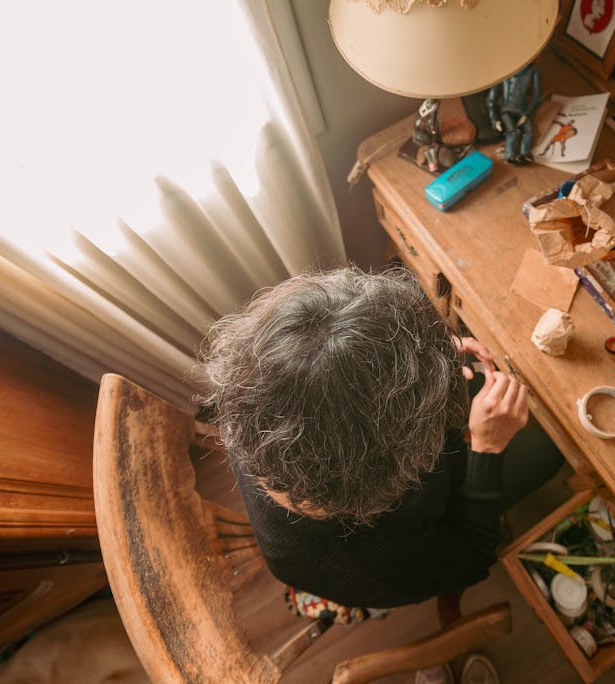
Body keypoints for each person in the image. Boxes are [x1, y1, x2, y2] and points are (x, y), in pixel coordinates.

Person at [200, 267, 563, 680]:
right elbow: (473, 556)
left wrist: (430, 356)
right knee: (550, 451)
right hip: (405, 548)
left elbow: (333, 373)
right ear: (398, 472)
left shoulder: (251, 405)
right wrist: (487, 446)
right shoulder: (372, 557)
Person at [485, 63, 541, 165]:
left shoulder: (532, 71)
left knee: (529, 132)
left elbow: (537, 98)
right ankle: (510, 155)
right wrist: (495, 119)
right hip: (506, 110)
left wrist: (526, 114)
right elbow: (491, 99)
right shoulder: (502, 71)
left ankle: (525, 154)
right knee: (514, 132)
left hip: (522, 109)